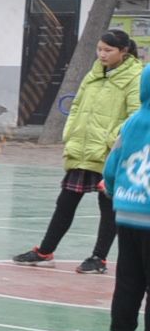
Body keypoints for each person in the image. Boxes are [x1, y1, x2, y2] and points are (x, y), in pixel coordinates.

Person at [15, 29, 144, 272]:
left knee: (107, 208)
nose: (102, 54)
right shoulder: (93, 74)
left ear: (124, 51)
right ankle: (45, 251)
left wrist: (110, 140)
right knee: (65, 202)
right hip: (83, 151)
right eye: (99, 49)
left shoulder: (135, 77)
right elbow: (76, 106)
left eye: (108, 50)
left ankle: (98, 258)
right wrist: (71, 133)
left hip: (109, 154)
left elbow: (135, 116)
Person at [100, 59, 150, 331]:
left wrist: (115, 191)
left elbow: (111, 165)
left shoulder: (131, 123)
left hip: (128, 213)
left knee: (129, 283)